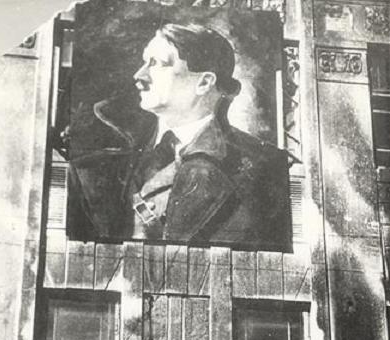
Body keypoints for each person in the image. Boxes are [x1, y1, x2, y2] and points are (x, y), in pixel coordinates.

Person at [67, 22, 290, 249]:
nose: (139, 75)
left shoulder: (266, 170)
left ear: (204, 82)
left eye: (158, 64)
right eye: (145, 62)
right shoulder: (91, 168)